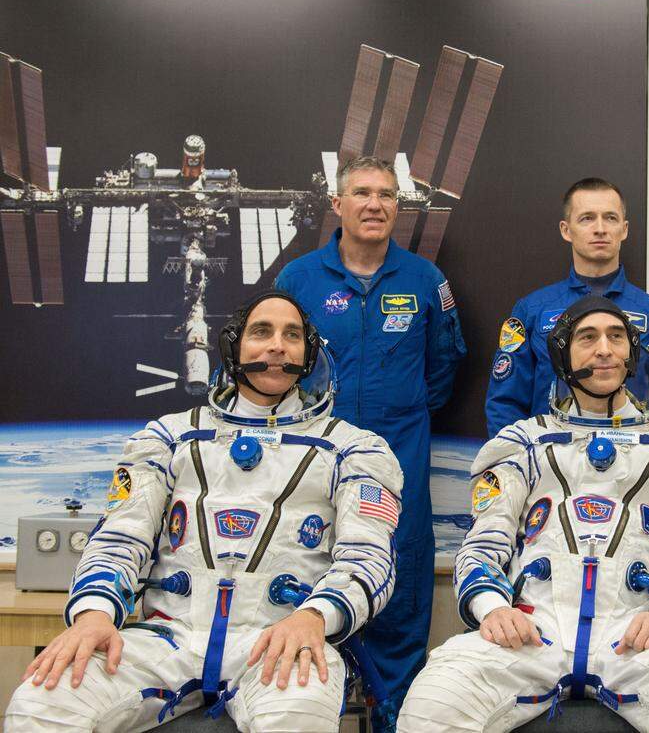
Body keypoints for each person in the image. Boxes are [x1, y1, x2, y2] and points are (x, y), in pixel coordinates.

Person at [5, 291, 404, 732]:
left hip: (281, 639)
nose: (277, 345)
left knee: (299, 719)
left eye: (292, 335)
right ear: (234, 347)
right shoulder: (168, 439)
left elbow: (369, 559)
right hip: (168, 639)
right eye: (261, 332)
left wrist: (314, 616)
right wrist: (95, 614)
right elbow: (120, 539)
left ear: (308, 354)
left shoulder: (354, 449)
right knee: (42, 701)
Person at [400, 296, 649, 732]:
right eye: (588, 338)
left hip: (639, 630)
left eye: (617, 338)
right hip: (532, 627)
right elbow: (482, 547)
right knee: (431, 705)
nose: (605, 349)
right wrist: (494, 608)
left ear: (633, 354)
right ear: (562, 355)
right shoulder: (524, 444)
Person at [275, 156, 465, 724]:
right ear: (338, 204)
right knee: (308, 580)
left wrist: (395, 417)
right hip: (314, 465)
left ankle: (394, 712)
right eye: (362, 193)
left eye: (386, 195)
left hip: (398, 465)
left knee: (400, 583)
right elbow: (277, 367)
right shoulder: (298, 280)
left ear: (398, 207)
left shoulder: (426, 281)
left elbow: (444, 367)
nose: (375, 205)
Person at [485, 177, 649, 437]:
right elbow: (505, 404)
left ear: (624, 228)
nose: (600, 229)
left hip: (635, 466)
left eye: (610, 218)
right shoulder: (532, 311)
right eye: (586, 218)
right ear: (566, 229)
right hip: (551, 465)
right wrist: (520, 460)